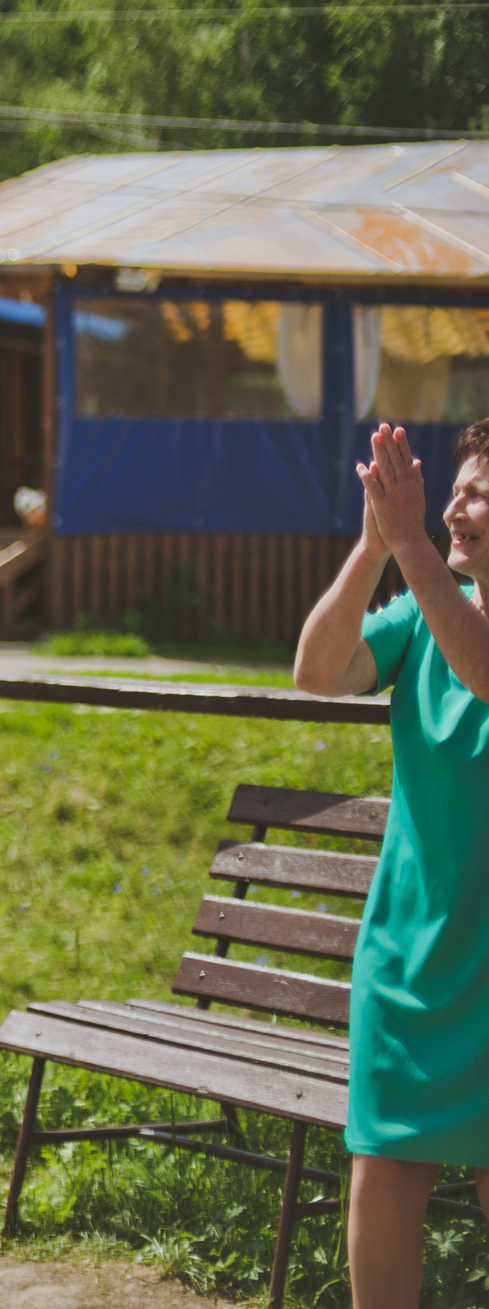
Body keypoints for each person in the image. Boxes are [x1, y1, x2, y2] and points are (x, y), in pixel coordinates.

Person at [294, 419, 489, 1309]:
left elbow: (483, 669)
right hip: (407, 960)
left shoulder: (446, 613)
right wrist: (376, 549)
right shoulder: (420, 611)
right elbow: (316, 669)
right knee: (382, 1180)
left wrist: (411, 543)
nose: (454, 501)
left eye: (477, 489)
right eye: (455, 485)